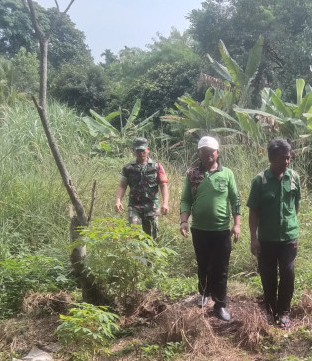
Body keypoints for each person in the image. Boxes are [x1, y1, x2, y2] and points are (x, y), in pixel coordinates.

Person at [179, 136, 241, 322]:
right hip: (199, 229)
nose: (207, 155)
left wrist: (236, 224)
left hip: (221, 230)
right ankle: (205, 293)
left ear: (217, 153)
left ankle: (220, 304)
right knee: (203, 264)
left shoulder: (227, 173)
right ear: (199, 153)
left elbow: (235, 199)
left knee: (220, 268)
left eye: (211, 152)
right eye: (203, 152)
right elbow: (185, 199)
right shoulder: (192, 174)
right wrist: (183, 221)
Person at [247, 138, 301, 328]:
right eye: (282, 158)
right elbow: (253, 211)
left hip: (288, 237)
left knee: (288, 273)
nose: (286, 162)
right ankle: (270, 310)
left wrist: (291, 224)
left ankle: (284, 311)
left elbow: (296, 205)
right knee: (268, 275)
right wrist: (254, 239)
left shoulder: (294, 177)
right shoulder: (260, 181)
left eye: (288, 158)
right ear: (271, 159)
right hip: (266, 239)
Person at [115, 137, 169, 240]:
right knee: (135, 236)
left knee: (152, 238)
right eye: (138, 150)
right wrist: (118, 201)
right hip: (134, 207)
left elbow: (163, 185)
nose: (140, 153)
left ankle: (150, 256)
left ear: (148, 149)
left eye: (143, 150)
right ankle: (137, 256)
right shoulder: (128, 168)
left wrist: (165, 203)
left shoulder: (157, 166)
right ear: (133, 150)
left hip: (151, 207)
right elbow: (122, 186)